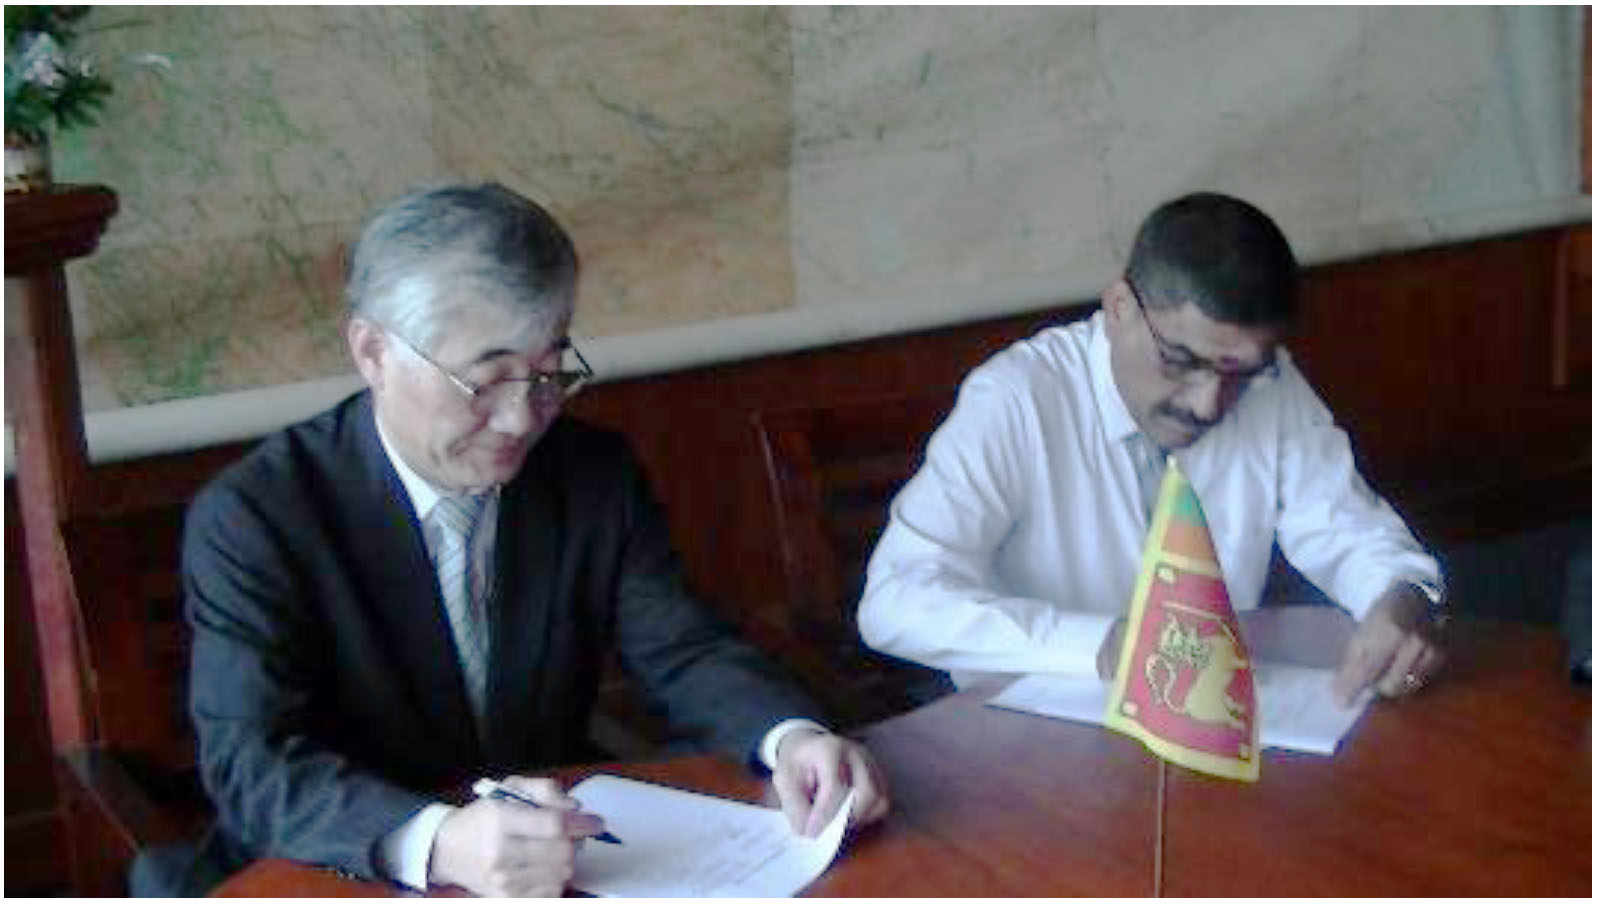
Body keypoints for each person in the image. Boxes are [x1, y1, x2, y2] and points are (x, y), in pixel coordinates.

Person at [151, 182, 887, 897]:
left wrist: (789, 736)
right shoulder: (259, 515)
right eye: (488, 379)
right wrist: (437, 838)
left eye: (547, 373)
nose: (520, 419)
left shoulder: (591, 472)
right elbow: (252, 762)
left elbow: (681, 647)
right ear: (373, 352)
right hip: (335, 867)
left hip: (555, 861)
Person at [859, 192, 1446, 704]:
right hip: (1032, 737)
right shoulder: (1018, 398)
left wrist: (1403, 596)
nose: (1209, 404)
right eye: (1181, 361)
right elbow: (896, 599)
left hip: (1209, 723)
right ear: (1119, 309)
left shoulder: (1273, 386)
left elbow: (1350, 531)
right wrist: (1109, 645)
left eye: (1240, 372)